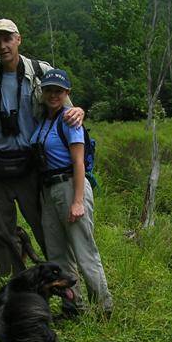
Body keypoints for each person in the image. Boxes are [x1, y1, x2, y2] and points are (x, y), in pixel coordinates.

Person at [0, 18, 84, 278]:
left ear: (18, 40)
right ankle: (17, 289)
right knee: (1, 235)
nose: (3, 46)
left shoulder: (40, 72)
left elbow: (67, 109)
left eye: (7, 39)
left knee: (47, 231)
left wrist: (78, 111)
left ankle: (65, 288)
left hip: (32, 168)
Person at [30, 68, 113, 319]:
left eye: (58, 90)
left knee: (84, 250)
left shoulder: (70, 120)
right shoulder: (43, 120)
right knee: (57, 253)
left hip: (70, 186)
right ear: (42, 92)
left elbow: (78, 163)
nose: (53, 95)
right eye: (49, 90)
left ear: (67, 93)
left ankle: (103, 308)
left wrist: (78, 202)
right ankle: (73, 307)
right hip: (49, 190)